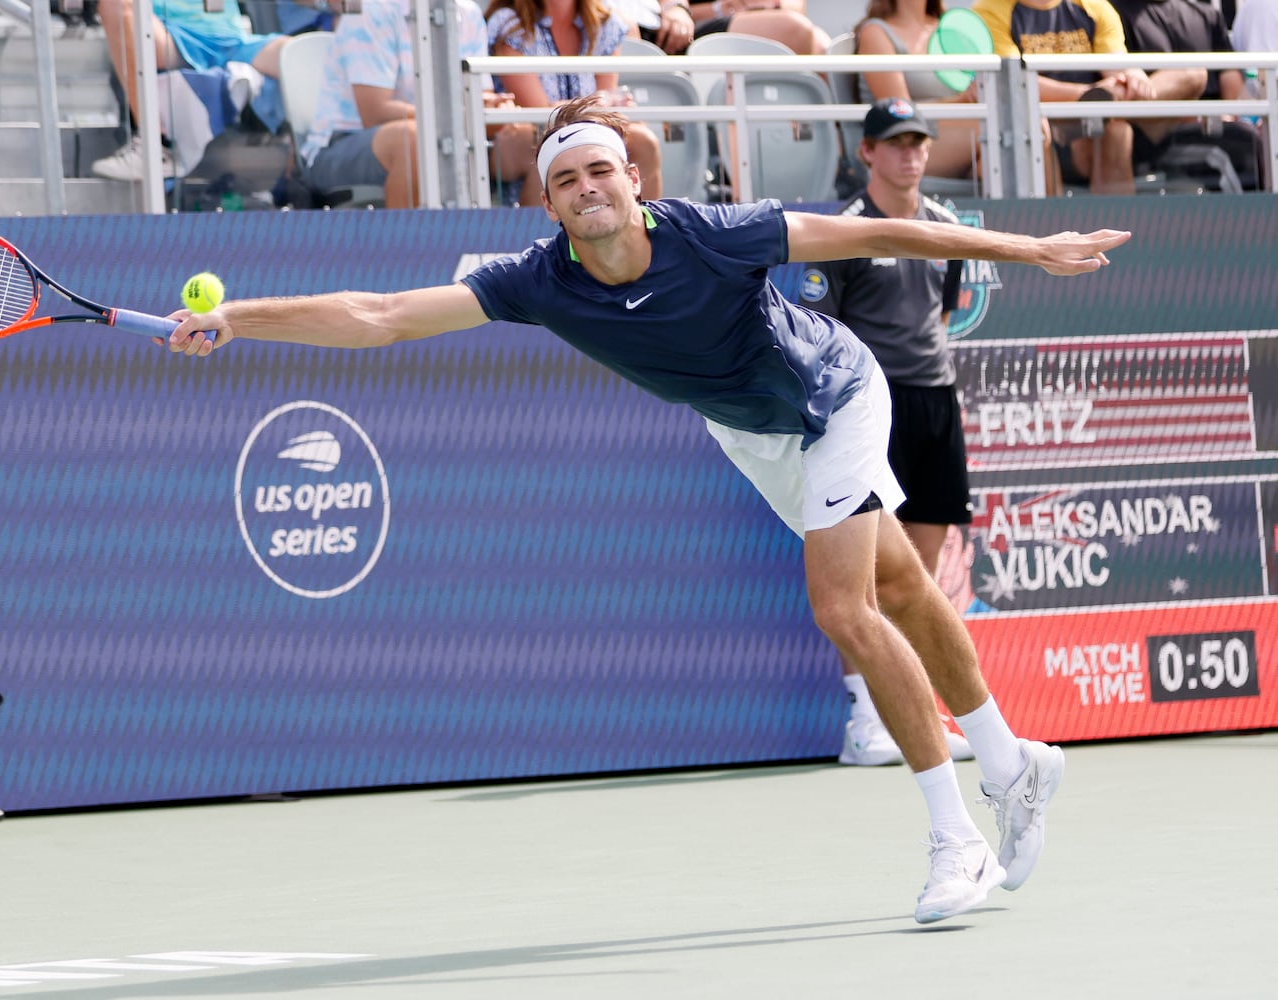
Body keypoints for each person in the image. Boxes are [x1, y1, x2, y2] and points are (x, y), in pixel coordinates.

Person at [165, 96, 1123, 924]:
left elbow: (879, 233)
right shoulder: (537, 280)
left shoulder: (713, 233)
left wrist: (1030, 247)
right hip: (752, 434)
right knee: (902, 587)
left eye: (602, 172)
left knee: (844, 609)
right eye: (568, 180)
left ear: (633, 180)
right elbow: (378, 315)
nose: (589, 189)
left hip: (833, 393)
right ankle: (1012, 764)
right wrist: (237, 317)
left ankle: (957, 838)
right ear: (547, 203)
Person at [801, 99, 975, 768]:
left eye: (919, 142)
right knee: (864, 574)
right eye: (894, 142)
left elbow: (940, 314)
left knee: (918, 576)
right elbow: (820, 330)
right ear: (867, 152)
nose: (910, 154)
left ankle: (917, 712)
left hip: (936, 400)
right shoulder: (841, 231)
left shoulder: (946, 227)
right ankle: (865, 720)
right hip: (871, 409)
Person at [299, 0, 538, 208]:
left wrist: (494, 110)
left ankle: (540, 257)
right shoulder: (372, 9)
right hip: (337, 146)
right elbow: (375, 113)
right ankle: (415, 256)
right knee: (414, 141)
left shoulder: (469, 13)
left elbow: (476, 100)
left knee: (534, 141)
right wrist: (462, 115)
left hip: (448, 138)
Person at [973, 0, 1206, 194]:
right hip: (1044, 133)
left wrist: (1133, 79)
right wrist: (1085, 95)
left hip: (1109, 121)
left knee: (1192, 73)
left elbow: (1118, 63)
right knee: (1112, 127)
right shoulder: (989, 12)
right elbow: (1012, 82)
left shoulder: (1094, 6)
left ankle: (1116, 237)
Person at [486, 0, 664, 205]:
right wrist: (600, 104)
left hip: (586, 128)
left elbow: (606, 103)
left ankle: (645, 231)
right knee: (549, 141)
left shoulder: (604, 22)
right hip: (520, 138)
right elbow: (539, 113)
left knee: (643, 140)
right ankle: (543, 234)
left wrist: (614, 108)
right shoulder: (510, 23)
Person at [92, 0, 291, 181]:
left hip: (235, 42)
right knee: (116, 2)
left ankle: (305, 156)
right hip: (172, 39)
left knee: (305, 51)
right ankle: (153, 147)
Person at [1114, 0, 1265, 190]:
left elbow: (1233, 92)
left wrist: (1224, 116)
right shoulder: (1113, 14)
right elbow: (1128, 92)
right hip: (1159, 140)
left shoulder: (1208, 15)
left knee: (1249, 139)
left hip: (1221, 130)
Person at [853, 0, 983, 181]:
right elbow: (901, 114)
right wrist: (961, 101)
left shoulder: (950, 28)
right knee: (993, 133)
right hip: (904, 142)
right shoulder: (876, 33)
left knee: (1018, 136)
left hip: (958, 135)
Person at [610, 0, 830, 54]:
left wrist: (675, 8)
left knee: (808, 35)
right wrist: (722, 8)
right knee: (623, 28)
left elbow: (792, 6)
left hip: (685, 28)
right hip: (660, 30)